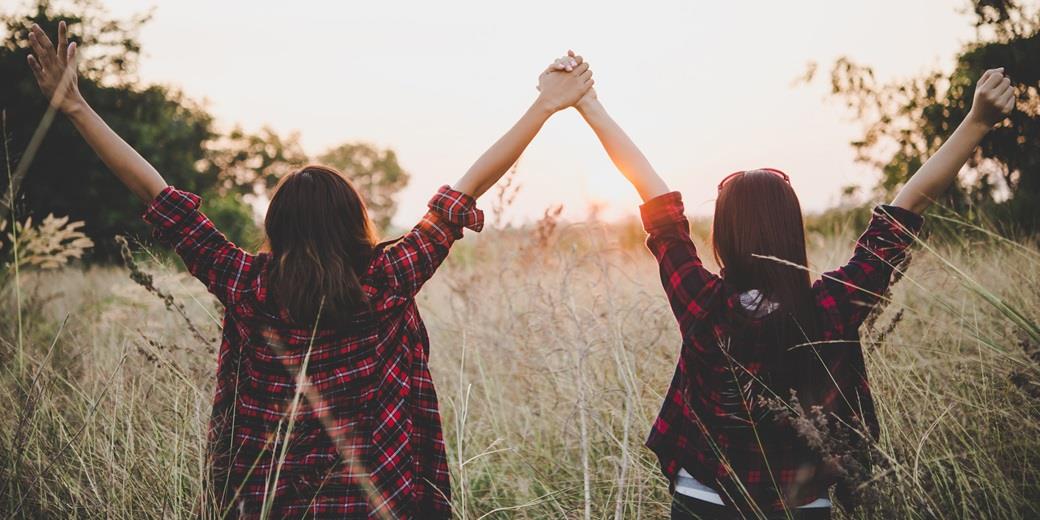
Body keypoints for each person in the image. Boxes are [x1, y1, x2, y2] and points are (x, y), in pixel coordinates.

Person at [27, 22, 593, 518]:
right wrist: (545, 104)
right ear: (355, 223)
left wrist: (75, 106)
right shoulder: (389, 277)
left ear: (277, 227)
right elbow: (468, 185)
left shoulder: (246, 284)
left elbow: (157, 194)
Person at [554, 51, 1016, 518]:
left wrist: (588, 104)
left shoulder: (700, 301)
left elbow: (655, 200)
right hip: (802, 506)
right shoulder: (834, 304)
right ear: (791, 231)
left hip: (703, 500)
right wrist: (978, 121)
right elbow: (907, 206)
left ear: (724, 237)